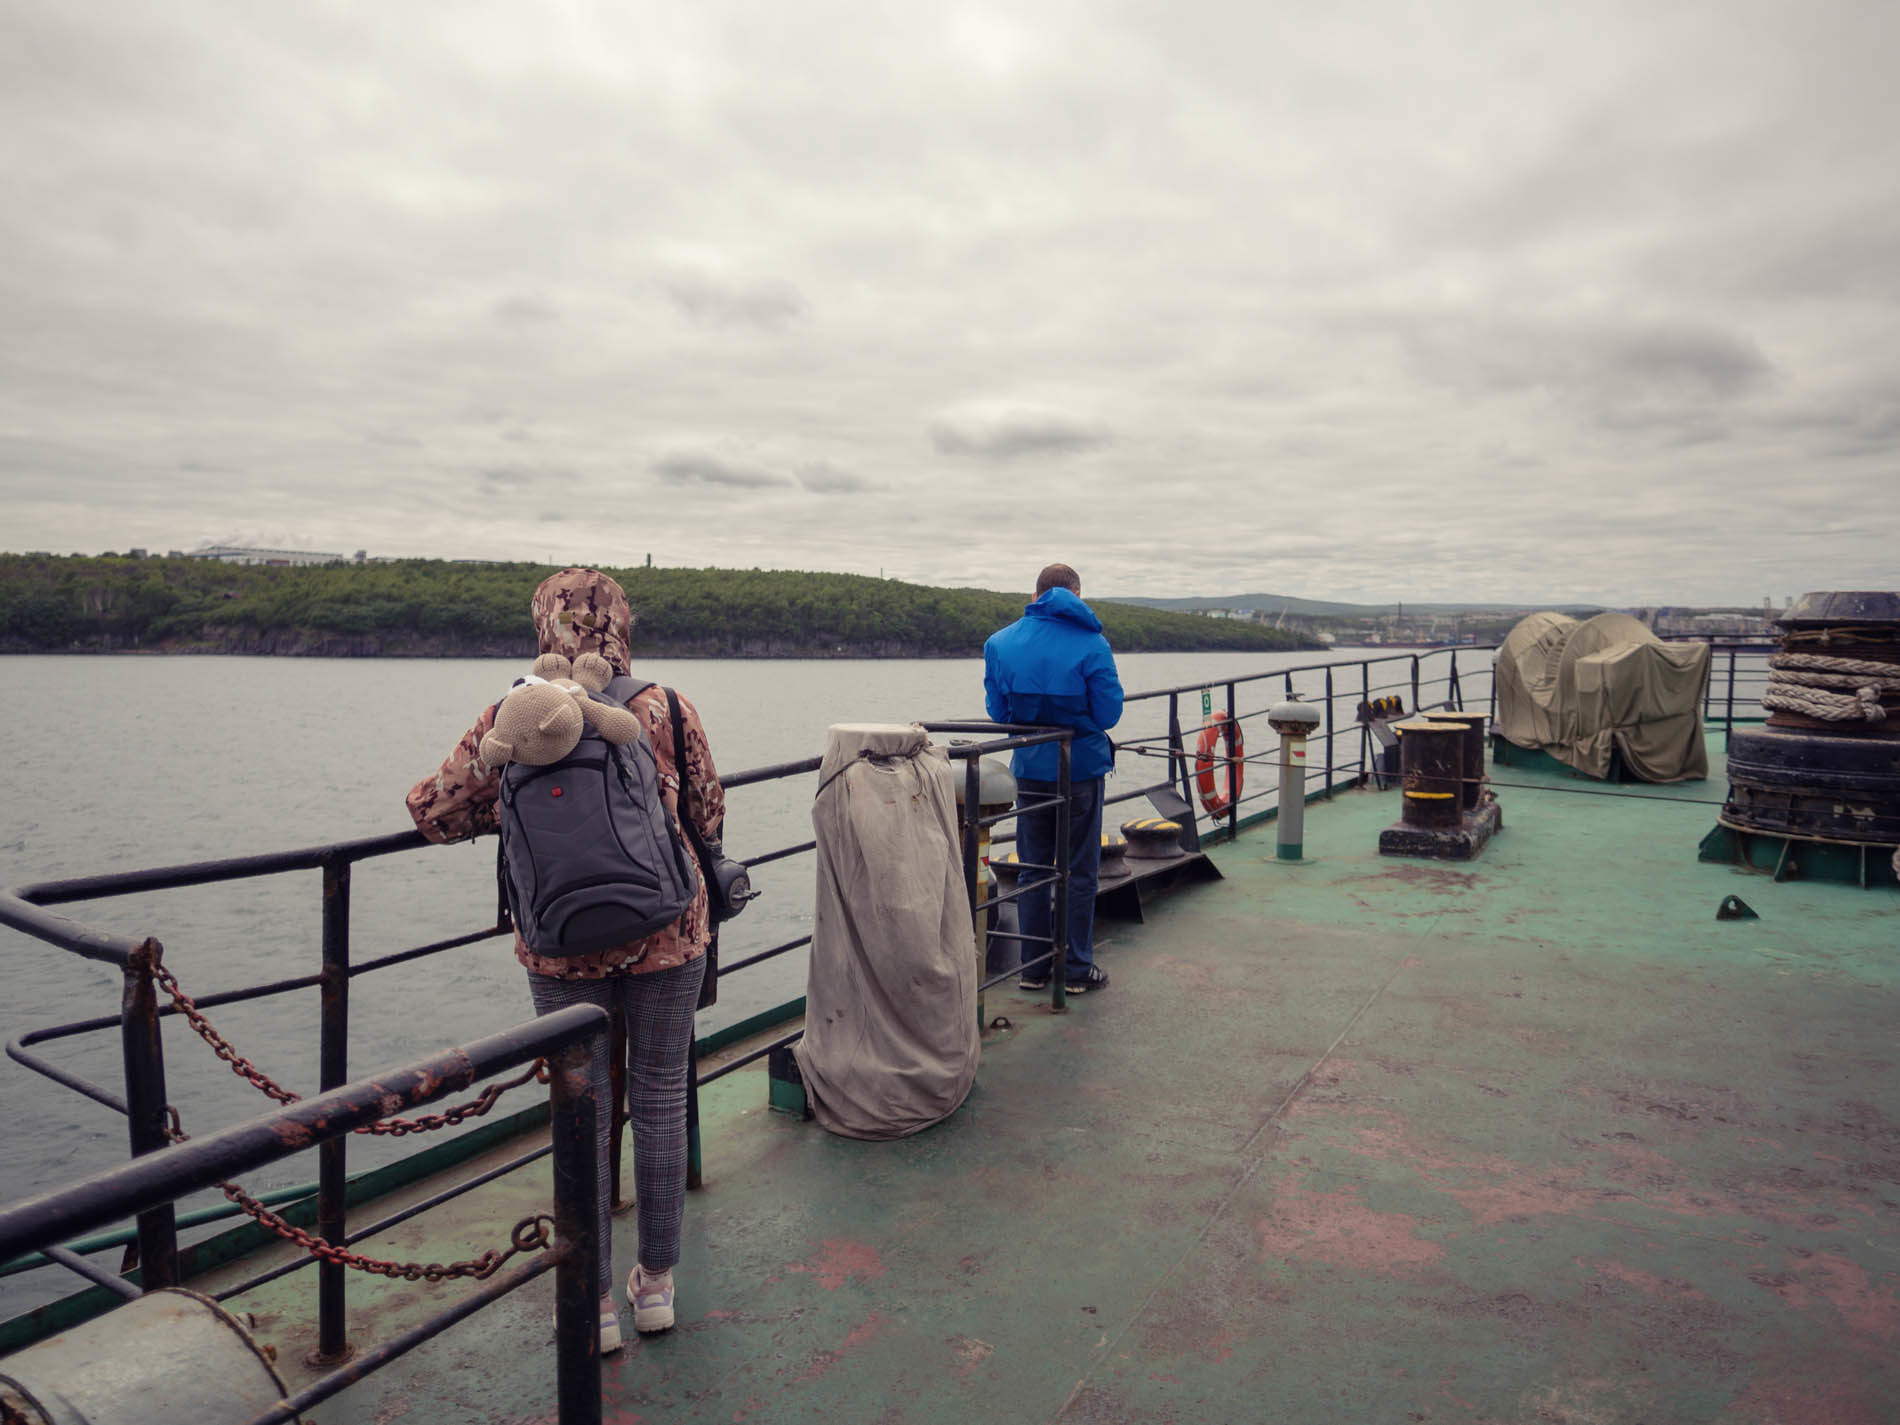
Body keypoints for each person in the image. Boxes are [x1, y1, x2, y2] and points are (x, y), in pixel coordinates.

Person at [405, 567, 723, 1353]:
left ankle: (593, 1302)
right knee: (657, 1096)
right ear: (623, 625)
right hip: (667, 929)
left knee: (582, 1112)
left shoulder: (512, 711)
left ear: (542, 626)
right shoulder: (666, 707)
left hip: (558, 947)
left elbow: (431, 812)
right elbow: (707, 811)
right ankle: (654, 1285)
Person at [983, 563, 1124, 994]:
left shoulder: (999, 643)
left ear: (1035, 595)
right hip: (1080, 771)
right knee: (1079, 872)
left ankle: (1033, 969)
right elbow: (1108, 714)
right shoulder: (1092, 643)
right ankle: (1078, 971)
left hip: (1030, 771)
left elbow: (999, 713)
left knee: (1032, 870)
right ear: (1076, 594)